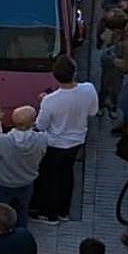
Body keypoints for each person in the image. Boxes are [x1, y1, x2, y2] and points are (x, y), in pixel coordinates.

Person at [32, 56, 98, 223]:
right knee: (67, 175)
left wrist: (44, 102)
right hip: (77, 141)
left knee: (50, 178)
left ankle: (49, 213)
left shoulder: (50, 101)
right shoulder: (89, 89)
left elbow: (41, 125)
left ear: (55, 76)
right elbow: (92, 112)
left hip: (55, 143)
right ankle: (64, 211)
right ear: (74, 72)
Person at [0, 106, 46, 227]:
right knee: (22, 212)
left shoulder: (2, 141)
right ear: (32, 122)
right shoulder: (42, 139)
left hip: (3, 184)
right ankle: (21, 234)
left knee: (0, 215)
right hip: (26, 183)